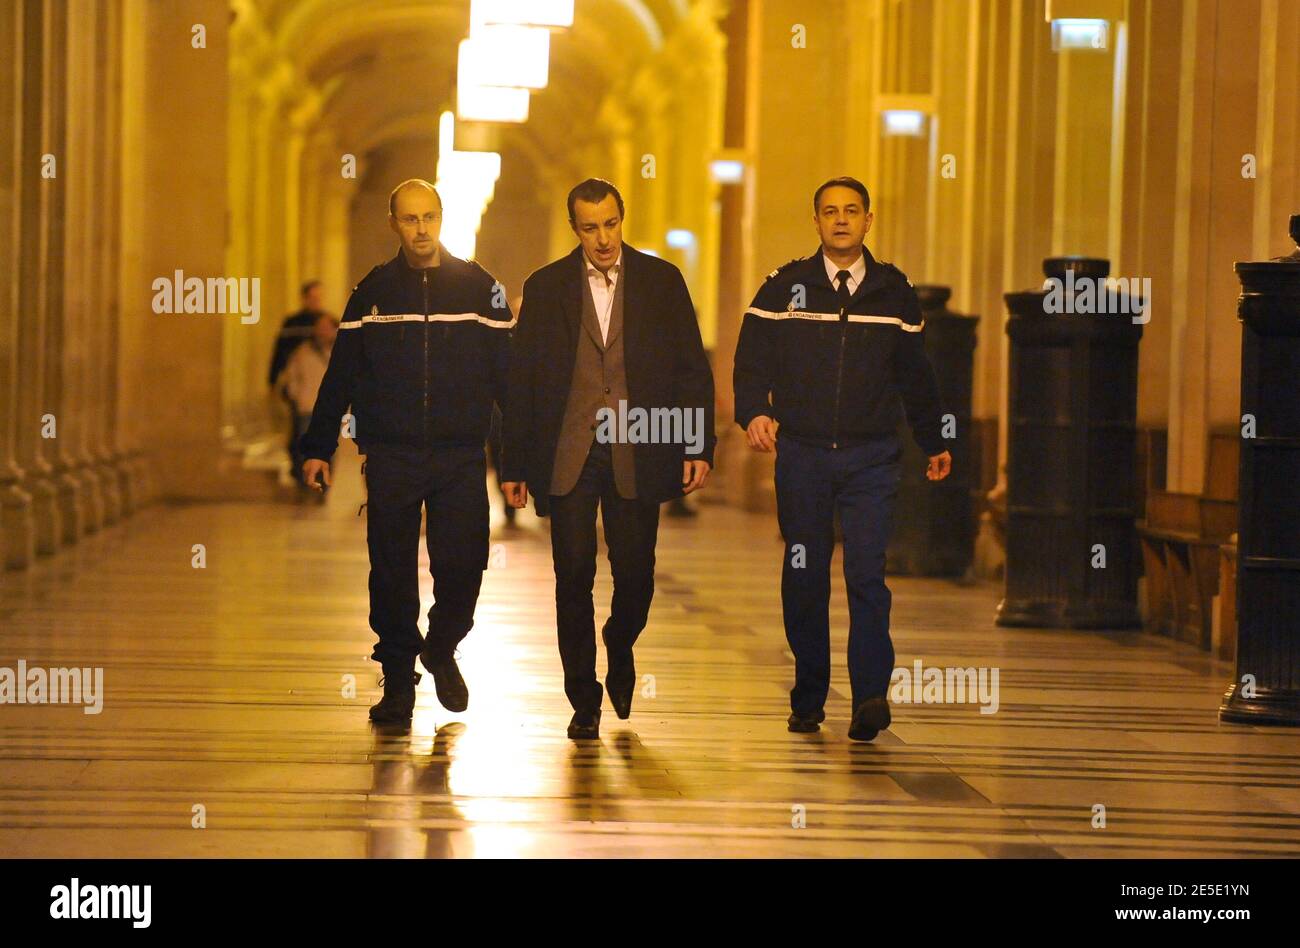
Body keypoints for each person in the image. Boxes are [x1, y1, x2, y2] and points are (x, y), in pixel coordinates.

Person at [733, 176, 952, 742]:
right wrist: (754, 410)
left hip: (872, 459)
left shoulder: (893, 291)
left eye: (851, 211)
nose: (841, 220)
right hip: (803, 455)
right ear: (816, 221)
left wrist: (934, 441)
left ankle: (870, 697)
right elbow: (751, 358)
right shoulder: (785, 288)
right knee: (804, 576)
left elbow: (917, 376)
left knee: (866, 576)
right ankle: (808, 697)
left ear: (868, 220)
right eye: (830, 211)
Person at [500, 178, 715, 740]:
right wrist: (514, 465)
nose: (603, 238)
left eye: (611, 224)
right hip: (567, 453)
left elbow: (691, 366)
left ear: (623, 219)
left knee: (636, 576)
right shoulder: (545, 288)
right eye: (591, 227)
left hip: (637, 449)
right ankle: (583, 699)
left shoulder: (662, 282)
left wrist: (697, 443)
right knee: (572, 576)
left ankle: (619, 643)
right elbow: (519, 381)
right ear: (576, 228)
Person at [299, 179, 513, 727]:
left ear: (442, 218)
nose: (421, 230)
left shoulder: (479, 289)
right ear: (394, 223)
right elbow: (341, 375)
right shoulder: (372, 293)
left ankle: (441, 646)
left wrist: (516, 463)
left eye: (430, 218)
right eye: (410, 219)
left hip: (461, 455)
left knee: (464, 565)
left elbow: (509, 384)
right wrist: (319, 445)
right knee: (391, 571)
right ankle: (398, 682)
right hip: (392, 454)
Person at [278, 311, 338, 497]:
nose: (324, 331)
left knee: (329, 449)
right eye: (320, 327)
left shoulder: (340, 351)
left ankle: (324, 484)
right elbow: (292, 376)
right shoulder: (302, 351)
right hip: (307, 406)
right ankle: (307, 483)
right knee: (305, 446)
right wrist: (297, 396)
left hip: (331, 409)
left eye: (328, 327)